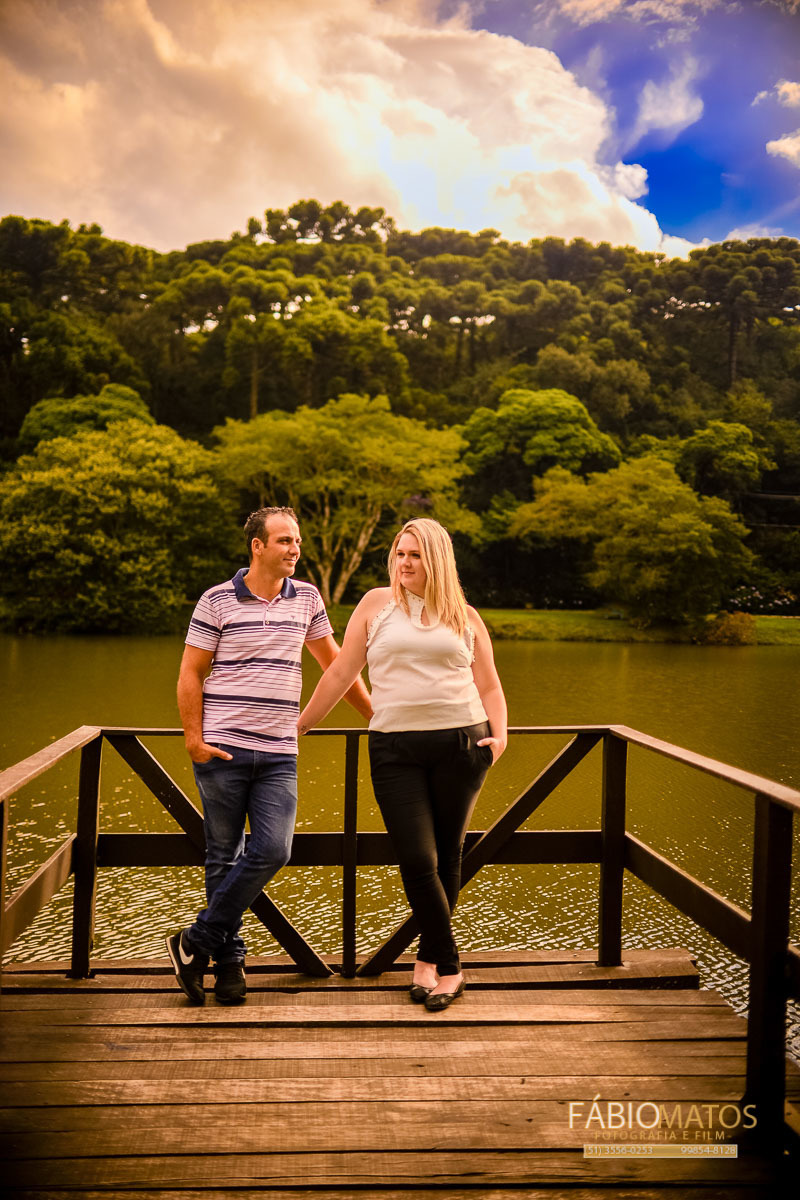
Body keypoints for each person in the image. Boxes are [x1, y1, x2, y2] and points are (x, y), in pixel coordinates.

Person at [298, 517, 507, 1011]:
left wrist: (501, 738)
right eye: (399, 554)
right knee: (417, 859)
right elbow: (342, 672)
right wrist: (301, 724)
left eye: (414, 555)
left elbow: (490, 685)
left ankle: (427, 962)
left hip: (463, 743)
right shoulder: (376, 605)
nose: (404, 563)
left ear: (436, 559)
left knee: (448, 855)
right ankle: (452, 965)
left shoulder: (465, 616)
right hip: (395, 748)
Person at [167, 506, 371, 1005]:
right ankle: (229, 966)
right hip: (222, 747)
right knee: (222, 856)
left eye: (296, 541)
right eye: (284, 541)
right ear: (257, 546)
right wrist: (193, 738)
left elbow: (337, 668)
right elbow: (190, 673)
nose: (294, 549)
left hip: (280, 751)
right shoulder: (217, 600)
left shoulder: (307, 599)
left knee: (273, 849)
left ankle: (193, 941)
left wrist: (376, 718)